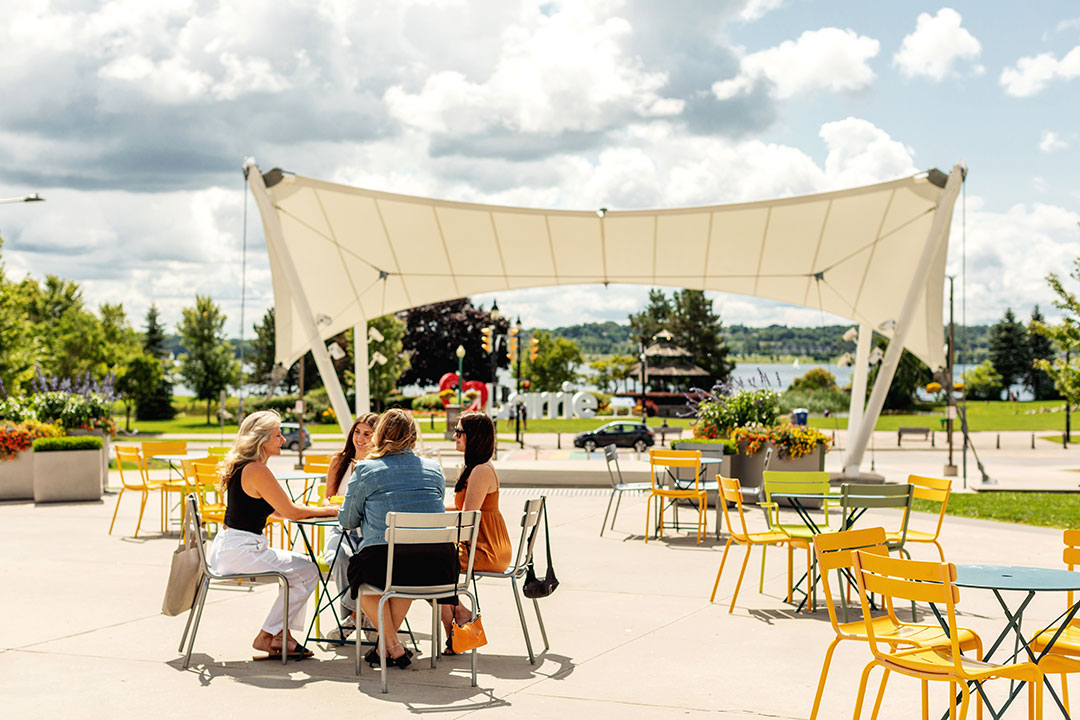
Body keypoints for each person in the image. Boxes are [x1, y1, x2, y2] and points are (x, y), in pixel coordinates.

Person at [206, 410, 339, 660]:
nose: (283, 440)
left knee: (302, 570)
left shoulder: (245, 466)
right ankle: (269, 636)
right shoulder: (256, 469)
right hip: (240, 551)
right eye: (278, 435)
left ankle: (280, 635)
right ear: (262, 439)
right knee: (308, 571)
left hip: (233, 548)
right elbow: (291, 512)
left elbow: (277, 510)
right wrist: (330, 510)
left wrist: (305, 510)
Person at [340, 408, 456, 668]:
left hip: (388, 561)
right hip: (438, 564)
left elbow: (346, 521)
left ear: (380, 435)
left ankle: (391, 645)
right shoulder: (434, 469)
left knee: (361, 573)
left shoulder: (366, 469)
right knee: (406, 569)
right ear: (412, 437)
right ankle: (385, 648)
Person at [442, 411, 512, 651]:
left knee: (430, 567)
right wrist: (431, 510)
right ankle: (457, 626)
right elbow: (463, 510)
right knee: (432, 567)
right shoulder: (476, 468)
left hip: (486, 550)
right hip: (480, 545)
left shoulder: (481, 471)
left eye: (459, 432)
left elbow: (467, 519)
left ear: (474, 436)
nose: (454, 436)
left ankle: (459, 620)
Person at [321, 412, 378, 642]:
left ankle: (354, 618)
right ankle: (364, 616)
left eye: (367, 434)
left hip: (369, 533)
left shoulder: (378, 465)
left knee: (368, 563)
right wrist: (336, 506)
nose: (360, 438)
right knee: (339, 557)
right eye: (357, 432)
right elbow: (327, 499)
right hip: (341, 529)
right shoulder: (339, 461)